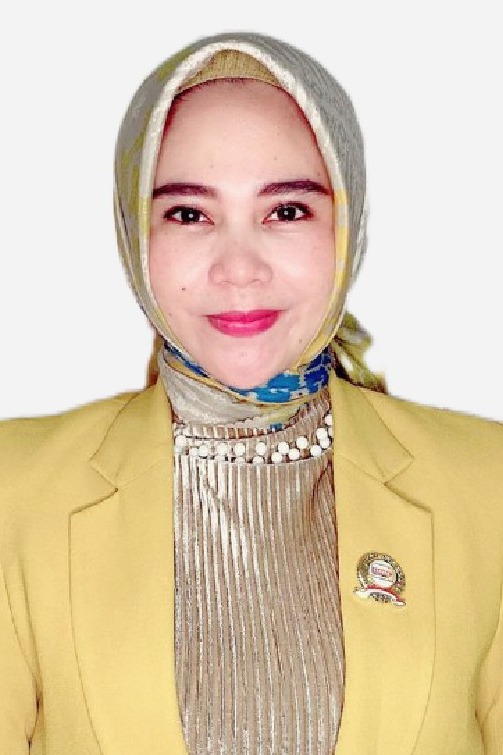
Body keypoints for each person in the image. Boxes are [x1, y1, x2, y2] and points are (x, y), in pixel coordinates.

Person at [0, 30, 501, 755]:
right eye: (189, 214)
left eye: (286, 210)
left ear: (346, 226)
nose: (238, 268)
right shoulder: (15, 490)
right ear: (137, 234)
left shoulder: (486, 485)